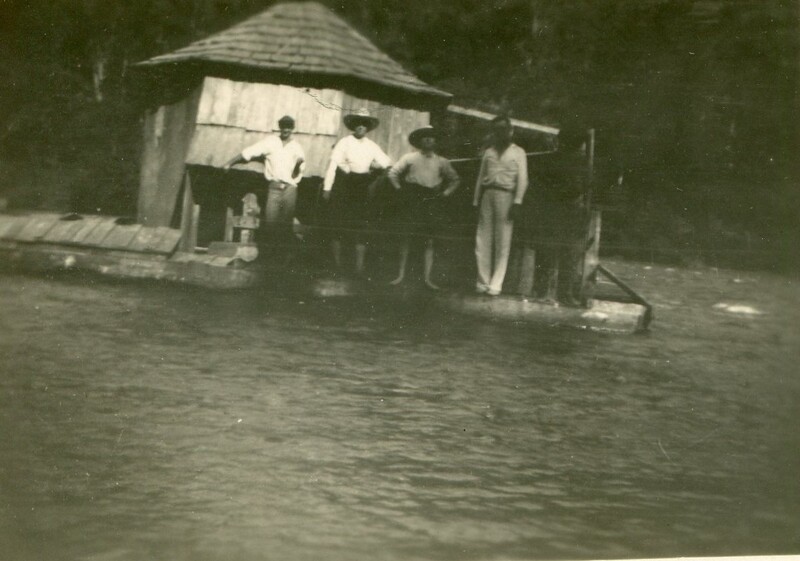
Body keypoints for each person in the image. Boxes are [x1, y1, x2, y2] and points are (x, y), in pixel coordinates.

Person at [387, 126, 460, 289]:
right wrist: (400, 189)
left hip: (431, 201)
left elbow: (455, 180)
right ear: (420, 141)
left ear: (435, 141)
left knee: (429, 240)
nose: (428, 140)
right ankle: (400, 275)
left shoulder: (442, 161)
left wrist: (445, 194)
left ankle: (427, 279)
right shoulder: (409, 158)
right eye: (424, 137)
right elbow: (393, 173)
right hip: (413, 199)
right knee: (406, 237)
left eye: (431, 137)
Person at [322, 108, 391, 276]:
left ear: (367, 128)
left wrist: (375, 167)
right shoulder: (344, 142)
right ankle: (337, 265)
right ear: (353, 126)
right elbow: (333, 165)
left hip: (361, 186)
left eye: (364, 124)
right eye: (358, 124)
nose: (361, 127)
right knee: (339, 224)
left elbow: (387, 162)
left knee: (360, 225)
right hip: (344, 185)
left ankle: (359, 268)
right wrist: (327, 188)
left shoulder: (371, 145)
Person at [223, 115, 305, 254]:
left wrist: (297, 165)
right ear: (280, 128)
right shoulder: (271, 142)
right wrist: (229, 163)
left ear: (292, 129)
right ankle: (270, 257)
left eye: (289, 127)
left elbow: (296, 175)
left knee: (286, 225)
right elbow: (249, 152)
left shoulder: (297, 147)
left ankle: (284, 258)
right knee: (270, 223)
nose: (286, 130)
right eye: (283, 127)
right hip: (274, 188)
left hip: (290, 189)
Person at [472, 115, 529, 296]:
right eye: (496, 130)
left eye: (503, 129)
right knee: (483, 239)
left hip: (507, 196)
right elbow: (480, 178)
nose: (500, 133)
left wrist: (518, 202)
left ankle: (495, 285)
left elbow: (523, 179)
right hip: (488, 195)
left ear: (510, 131)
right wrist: (475, 201)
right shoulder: (488, 152)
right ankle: (482, 282)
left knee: (503, 241)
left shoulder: (518, 152)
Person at [533, 127, 589, 305]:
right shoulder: (557, 160)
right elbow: (544, 185)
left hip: (568, 211)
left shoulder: (580, 162)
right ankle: (546, 292)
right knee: (552, 251)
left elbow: (584, 186)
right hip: (556, 210)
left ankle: (559, 293)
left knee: (566, 253)